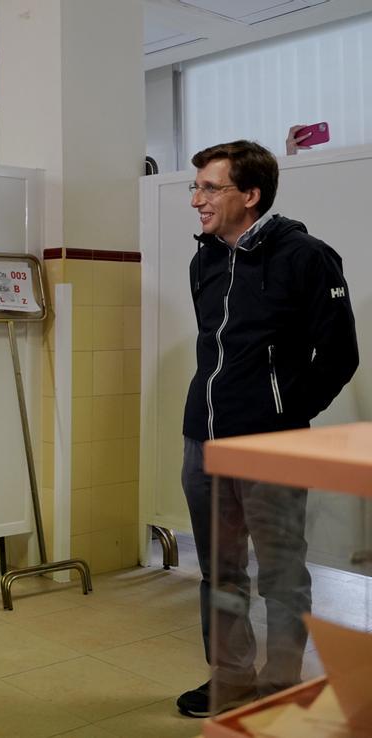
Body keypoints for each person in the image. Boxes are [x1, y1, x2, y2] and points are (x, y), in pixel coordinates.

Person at [176, 139, 358, 717]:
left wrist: (281, 416)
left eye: (210, 187)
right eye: (196, 186)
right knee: (219, 570)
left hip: (270, 442)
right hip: (202, 438)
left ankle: (282, 684)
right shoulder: (204, 258)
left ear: (249, 195)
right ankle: (229, 678)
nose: (196, 200)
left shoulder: (306, 256)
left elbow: (338, 354)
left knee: (279, 570)